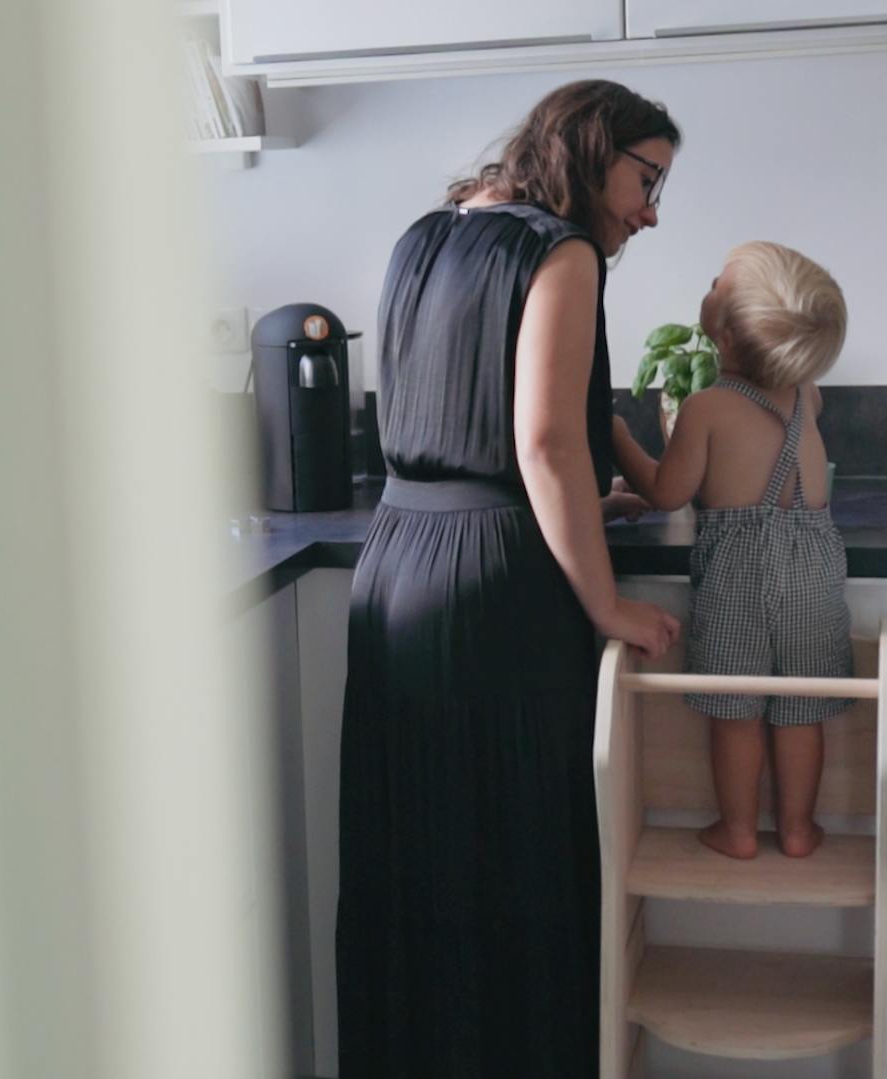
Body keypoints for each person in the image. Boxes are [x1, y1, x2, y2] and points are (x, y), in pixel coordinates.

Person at [337, 80, 683, 1079]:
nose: (650, 209)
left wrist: (594, 489)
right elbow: (537, 443)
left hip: (395, 566)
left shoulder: (426, 234)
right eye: (646, 178)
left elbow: (494, 414)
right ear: (593, 151)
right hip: (495, 591)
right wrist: (610, 602)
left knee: (416, 865)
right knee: (519, 864)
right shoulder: (560, 249)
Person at [612, 240, 853, 861]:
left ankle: (739, 831)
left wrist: (617, 438)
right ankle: (798, 831)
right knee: (801, 707)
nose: (711, 281)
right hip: (814, 568)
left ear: (720, 328)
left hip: (737, 574)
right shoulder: (808, 396)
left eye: (718, 281)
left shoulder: (707, 407)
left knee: (736, 709)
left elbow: (668, 492)